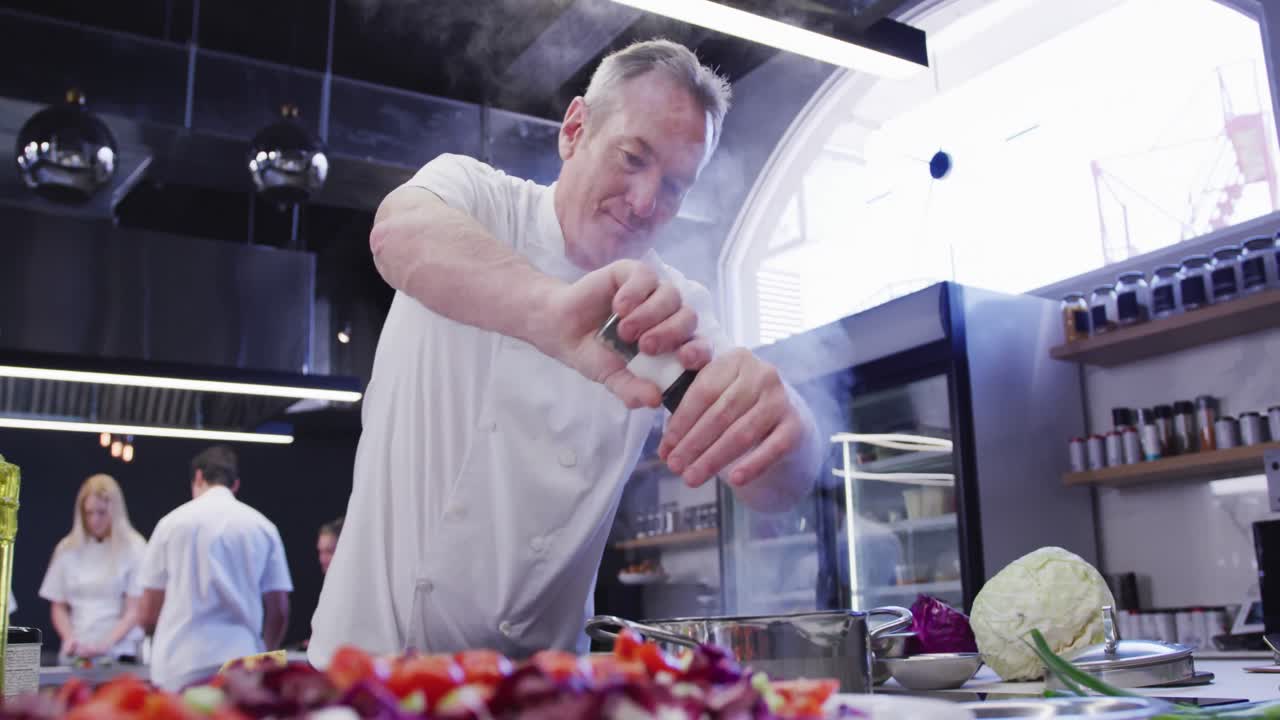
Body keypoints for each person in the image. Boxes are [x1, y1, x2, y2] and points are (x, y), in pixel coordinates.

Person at [309, 39, 822, 666]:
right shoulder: (480, 198)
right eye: (632, 158)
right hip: (360, 667)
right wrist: (552, 313)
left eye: (675, 186)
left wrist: (790, 428)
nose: (644, 201)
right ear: (575, 129)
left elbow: (774, 484)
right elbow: (397, 233)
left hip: (538, 689)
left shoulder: (670, 307)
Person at [137, 446, 293, 690]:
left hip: (179, 661)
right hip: (243, 661)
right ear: (235, 485)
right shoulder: (263, 527)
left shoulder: (170, 524)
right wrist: (265, 650)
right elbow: (280, 610)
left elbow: (147, 611)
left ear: (198, 477)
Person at [39, 473, 147, 661]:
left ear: (115, 511)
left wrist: (104, 644)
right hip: (76, 652)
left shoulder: (135, 548)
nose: (95, 520)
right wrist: (69, 637)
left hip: (118, 654)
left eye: (101, 513)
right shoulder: (67, 549)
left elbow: (134, 611)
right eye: (89, 513)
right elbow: (58, 606)